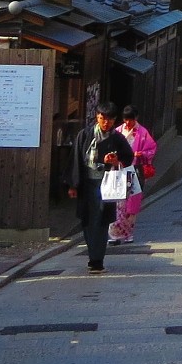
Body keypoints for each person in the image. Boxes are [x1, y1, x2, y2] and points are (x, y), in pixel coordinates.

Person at [68, 103, 134, 271]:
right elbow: (75, 159)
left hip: (108, 184)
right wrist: (73, 184)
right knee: (87, 220)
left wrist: (116, 161)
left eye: (110, 119)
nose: (106, 123)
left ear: (114, 120)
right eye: (102, 118)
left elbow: (128, 158)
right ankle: (92, 254)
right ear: (97, 117)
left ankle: (97, 259)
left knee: (102, 221)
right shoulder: (85, 135)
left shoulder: (117, 138)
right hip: (87, 183)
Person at [108, 105, 158, 245]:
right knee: (117, 202)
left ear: (136, 118)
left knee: (131, 202)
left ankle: (128, 233)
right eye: (125, 120)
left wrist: (140, 154)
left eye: (130, 120)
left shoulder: (142, 133)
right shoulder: (117, 131)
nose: (128, 123)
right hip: (118, 170)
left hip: (134, 170)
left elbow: (151, 149)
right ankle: (115, 235)